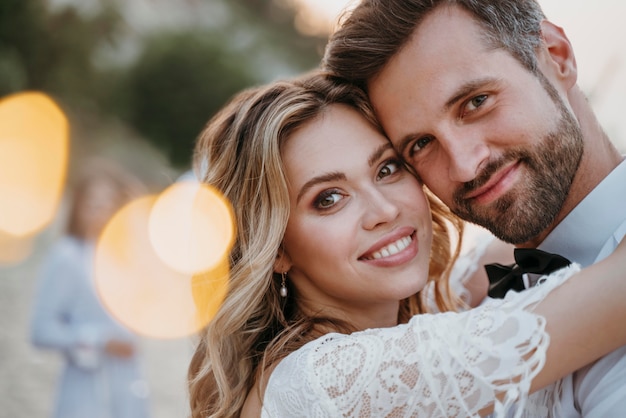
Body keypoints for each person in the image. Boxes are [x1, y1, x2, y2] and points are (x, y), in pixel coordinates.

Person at [187, 71, 626, 418]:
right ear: (277, 249)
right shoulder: (320, 384)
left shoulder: (417, 319)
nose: (385, 210)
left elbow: (484, 266)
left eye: (387, 169)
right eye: (329, 199)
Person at [323, 1, 626, 415]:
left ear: (557, 57)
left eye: (476, 102)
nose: (465, 166)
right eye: (421, 144)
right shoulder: (463, 305)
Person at [30, 159, 152, 418]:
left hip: (129, 389)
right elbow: (41, 331)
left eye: (109, 203)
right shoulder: (67, 256)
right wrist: (100, 339)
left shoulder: (124, 258)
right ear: (78, 206)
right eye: (93, 203)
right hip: (85, 392)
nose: (101, 211)